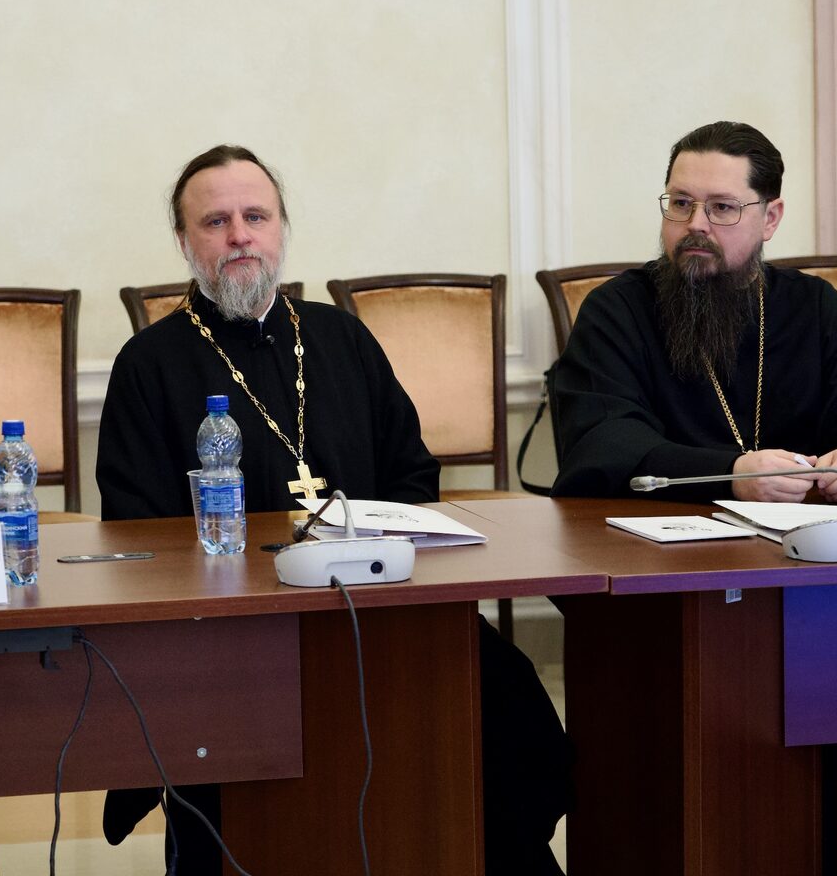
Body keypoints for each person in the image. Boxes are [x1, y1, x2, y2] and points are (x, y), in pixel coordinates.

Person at [97, 144, 573, 876]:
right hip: (240, 638)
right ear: (185, 241)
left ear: (282, 228)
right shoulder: (148, 364)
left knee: (506, 706)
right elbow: (137, 533)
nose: (240, 236)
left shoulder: (341, 338)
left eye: (256, 216)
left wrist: (378, 548)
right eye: (216, 222)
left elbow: (412, 472)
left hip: (380, 615)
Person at [548, 121, 837, 876]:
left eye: (721, 208)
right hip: (672, 590)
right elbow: (598, 446)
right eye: (680, 203)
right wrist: (731, 472)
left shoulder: (814, 310)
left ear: (770, 218)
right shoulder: (618, 311)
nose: (695, 226)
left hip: (818, 592)